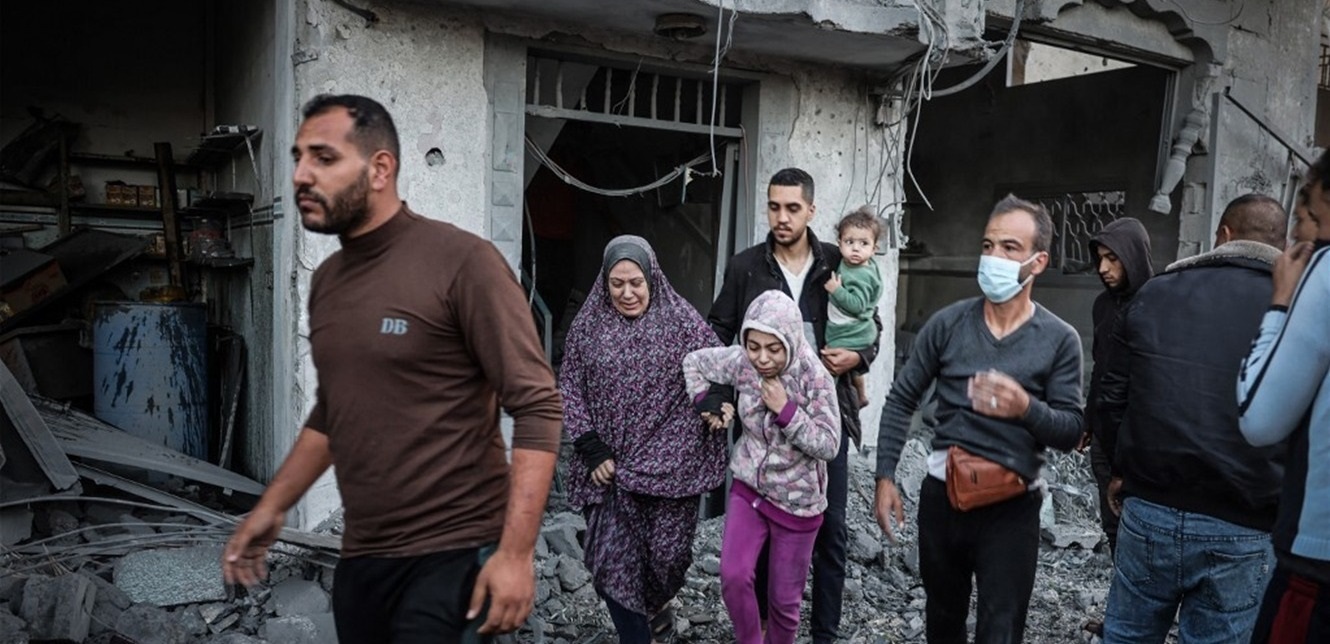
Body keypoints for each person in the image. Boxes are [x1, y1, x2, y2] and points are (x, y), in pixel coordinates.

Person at [220, 95, 563, 643]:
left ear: (380, 169)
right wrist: (273, 506)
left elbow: (538, 406)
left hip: (452, 558)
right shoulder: (328, 282)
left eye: (324, 158)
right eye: (299, 158)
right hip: (363, 560)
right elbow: (334, 411)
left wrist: (516, 554)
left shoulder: (462, 263)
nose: (302, 175)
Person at [874, 195, 1085, 644]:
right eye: (988, 245)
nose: (993, 257)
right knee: (942, 620)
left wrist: (1025, 408)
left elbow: (1071, 430)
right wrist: (885, 476)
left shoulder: (1060, 339)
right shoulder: (947, 324)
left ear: (1038, 261)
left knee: (1001, 629)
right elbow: (901, 399)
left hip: (1012, 508)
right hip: (942, 499)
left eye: (1010, 248)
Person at [1095, 194, 1289, 643]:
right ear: (1283, 245)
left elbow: (1111, 396)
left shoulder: (1156, 291)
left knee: (1126, 636)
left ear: (1223, 235)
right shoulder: (1297, 309)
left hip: (1150, 507)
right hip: (1245, 523)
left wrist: (1121, 470)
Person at [706, 167, 879, 644]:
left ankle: (823, 634)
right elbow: (718, 330)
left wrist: (859, 357)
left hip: (824, 417)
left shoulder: (836, 261)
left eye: (793, 208)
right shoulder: (746, 266)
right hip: (763, 422)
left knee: (832, 531)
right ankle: (765, 627)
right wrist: (719, 397)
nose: (782, 217)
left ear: (811, 210)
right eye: (774, 207)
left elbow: (870, 321)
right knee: (761, 530)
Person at [559, 235, 729, 643]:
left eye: (636, 283)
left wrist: (716, 401)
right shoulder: (588, 327)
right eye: (617, 283)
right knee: (612, 564)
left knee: (668, 559)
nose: (627, 293)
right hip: (609, 472)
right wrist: (591, 447)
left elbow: (718, 363)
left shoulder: (679, 320)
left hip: (671, 468)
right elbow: (570, 387)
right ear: (604, 283)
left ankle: (656, 604)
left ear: (652, 278)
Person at [684, 290, 842, 644]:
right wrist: (707, 401)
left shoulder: (814, 376)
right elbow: (694, 362)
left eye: (773, 349)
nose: (762, 358)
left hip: (798, 504)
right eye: (754, 346)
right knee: (734, 576)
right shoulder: (743, 362)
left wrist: (787, 411)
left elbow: (830, 444)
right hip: (749, 489)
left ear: (791, 341)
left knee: (784, 604)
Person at [1238, 151, 1330, 644]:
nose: (1297, 239)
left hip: (1317, 561)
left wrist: (1279, 305)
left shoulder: (1324, 269)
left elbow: (1260, 419)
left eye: (1308, 217)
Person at [1083, 217, 1153, 557]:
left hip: (1142, 435)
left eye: (1113, 258)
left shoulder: (1157, 302)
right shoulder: (1103, 305)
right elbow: (1101, 366)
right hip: (1104, 434)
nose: (1104, 269)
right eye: (1100, 259)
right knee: (1112, 521)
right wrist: (1089, 419)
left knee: (1142, 525)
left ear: (1133, 256)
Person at [825, 206, 885, 408]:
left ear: (874, 249)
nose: (856, 249)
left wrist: (837, 291)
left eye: (863, 243)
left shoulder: (861, 275)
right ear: (839, 243)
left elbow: (858, 305)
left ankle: (847, 396)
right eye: (849, 242)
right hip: (856, 327)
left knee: (830, 356)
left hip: (854, 329)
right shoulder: (855, 264)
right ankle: (860, 394)